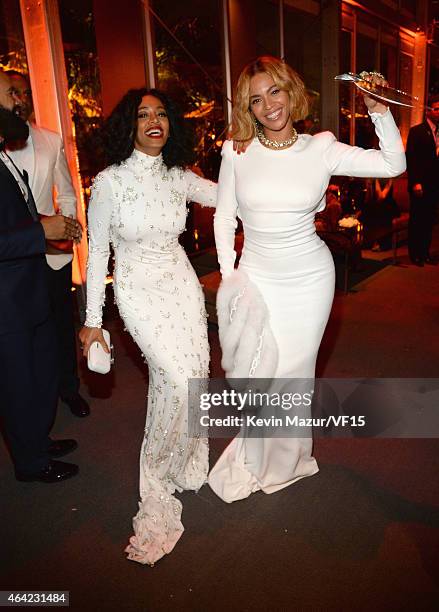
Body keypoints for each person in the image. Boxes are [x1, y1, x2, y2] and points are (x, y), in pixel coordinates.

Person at [208, 57, 406, 503]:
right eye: (255, 99)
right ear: (248, 108)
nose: (268, 105)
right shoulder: (236, 150)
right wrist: (230, 276)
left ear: (291, 92)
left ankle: (288, 461)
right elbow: (224, 219)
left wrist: (378, 110)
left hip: (309, 281)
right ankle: (261, 456)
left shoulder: (321, 148)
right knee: (261, 373)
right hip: (257, 277)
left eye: (274, 92)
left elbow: (393, 164)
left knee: (295, 374)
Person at [79, 88, 217, 565]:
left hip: (181, 282)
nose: (154, 121)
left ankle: (185, 459)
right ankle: (157, 481)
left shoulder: (179, 176)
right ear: (129, 125)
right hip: (137, 290)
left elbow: (230, 197)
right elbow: (97, 253)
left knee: (191, 376)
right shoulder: (110, 183)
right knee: (177, 380)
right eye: (143, 115)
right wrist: (94, 323)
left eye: (162, 113)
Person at [0, 69, 82, 483]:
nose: (18, 101)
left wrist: (48, 226)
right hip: (6, 301)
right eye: (9, 93)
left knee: (36, 372)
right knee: (16, 385)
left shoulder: (2, 151)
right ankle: (31, 465)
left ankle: (38, 441)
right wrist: (39, 231)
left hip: (27, 288)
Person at [406, 93, 439, 266]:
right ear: (428, 111)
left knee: (429, 220)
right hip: (421, 184)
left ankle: (425, 252)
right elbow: (412, 159)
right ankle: (415, 254)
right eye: (437, 108)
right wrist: (416, 183)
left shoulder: (438, 132)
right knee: (418, 219)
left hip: (435, 185)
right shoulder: (417, 131)